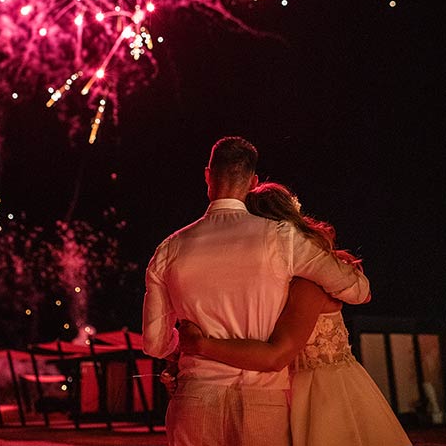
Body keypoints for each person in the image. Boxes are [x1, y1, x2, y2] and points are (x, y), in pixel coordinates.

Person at [142, 136, 370, 446]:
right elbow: (358, 292)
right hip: (261, 401)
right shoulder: (281, 238)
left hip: (194, 400)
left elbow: (154, 344)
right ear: (253, 182)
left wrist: (185, 342)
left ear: (208, 175)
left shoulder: (169, 249)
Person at [177, 182, 412, 446]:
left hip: (321, 398)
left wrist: (200, 345)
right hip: (287, 390)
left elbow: (276, 354)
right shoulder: (286, 282)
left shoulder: (307, 285)